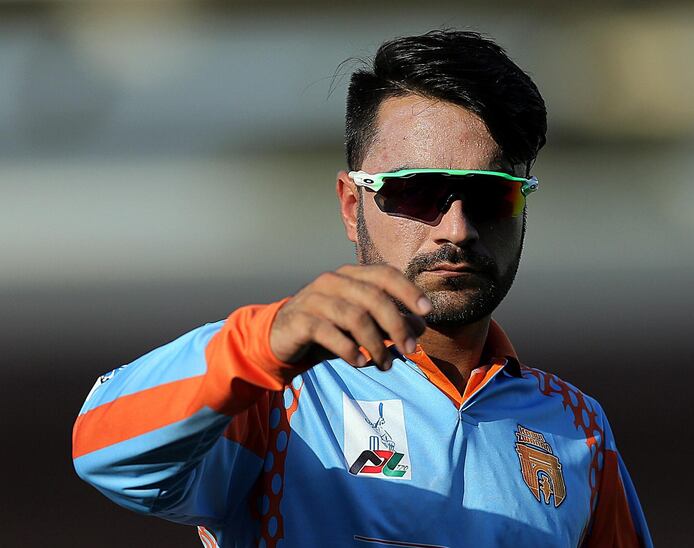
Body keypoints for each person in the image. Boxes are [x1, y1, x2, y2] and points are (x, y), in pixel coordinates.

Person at [72, 30, 652, 548]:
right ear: (353, 207)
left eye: (492, 195)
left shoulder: (577, 427)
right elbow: (104, 453)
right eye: (418, 192)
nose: (457, 229)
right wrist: (261, 344)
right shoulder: (275, 395)